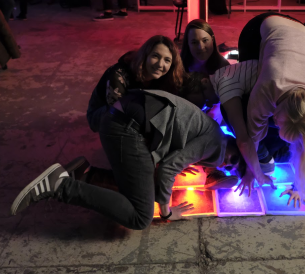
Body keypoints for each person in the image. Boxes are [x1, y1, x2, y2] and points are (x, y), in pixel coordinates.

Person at [183, 13, 305, 207]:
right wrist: (251, 173)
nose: (278, 127)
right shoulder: (266, 88)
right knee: (236, 116)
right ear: (275, 109)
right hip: (260, 28)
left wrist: (299, 187)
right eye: (279, 124)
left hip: (301, 32)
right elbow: (248, 139)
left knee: (269, 134)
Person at [10, 89, 229, 229]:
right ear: (232, 157)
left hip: (120, 119)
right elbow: (167, 170)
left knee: (144, 188)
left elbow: (170, 159)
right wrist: (167, 211)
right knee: (141, 216)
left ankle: (86, 174)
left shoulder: (213, 132)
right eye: (230, 166)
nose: (225, 167)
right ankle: (61, 186)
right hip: (126, 127)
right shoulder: (218, 145)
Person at [180, 18, 239, 190]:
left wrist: (217, 110)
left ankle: (224, 164)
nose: (200, 46)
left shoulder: (223, 66)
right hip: (186, 116)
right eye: (194, 42)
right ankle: (210, 169)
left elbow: (231, 98)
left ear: (213, 39)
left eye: (205, 40)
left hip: (216, 115)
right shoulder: (179, 66)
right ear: (187, 45)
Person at [87, 35, 185, 132]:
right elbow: (119, 116)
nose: (160, 64)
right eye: (155, 56)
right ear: (145, 55)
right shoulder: (118, 75)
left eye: (167, 60)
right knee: (134, 111)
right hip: (103, 113)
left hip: (134, 110)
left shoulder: (166, 75)